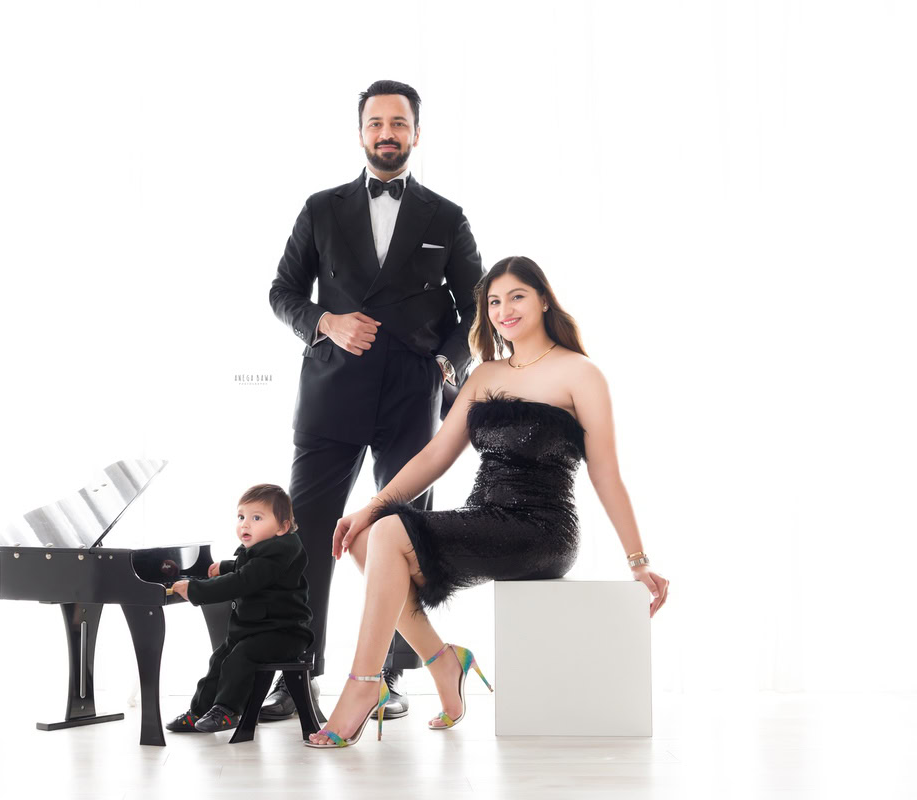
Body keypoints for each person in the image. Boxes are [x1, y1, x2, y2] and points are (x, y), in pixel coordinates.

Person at [303, 256, 671, 748]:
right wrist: (367, 509)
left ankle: (364, 684)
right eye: (494, 302)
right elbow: (434, 456)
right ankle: (443, 662)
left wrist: (638, 561)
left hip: (542, 528)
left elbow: (606, 474)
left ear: (544, 300)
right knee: (367, 537)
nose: (504, 310)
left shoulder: (580, 373)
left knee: (389, 530)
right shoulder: (484, 375)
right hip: (482, 515)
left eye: (517, 296)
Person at [266, 79, 484, 721]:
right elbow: (282, 292)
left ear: (416, 132)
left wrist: (446, 363)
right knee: (307, 536)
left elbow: (478, 308)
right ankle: (295, 676)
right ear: (360, 132)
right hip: (331, 391)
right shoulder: (321, 208)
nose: (387, 133)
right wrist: (325, 322)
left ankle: (389, 676)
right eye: (376, 123)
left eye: (399, 123)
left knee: (399, 536)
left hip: (411, 396)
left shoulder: (447, 216)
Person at [165, 484, 313, 734]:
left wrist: (195, 590)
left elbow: (244, 580)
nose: (245, 524)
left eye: (257, 518)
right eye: (241, 516)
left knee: (240, 657)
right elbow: (250, 568)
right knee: (219, 659)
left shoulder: (281, 551)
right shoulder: (265, 550)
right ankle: (199, 710)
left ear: (282, 527)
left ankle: (228, 710)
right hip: (256, 630)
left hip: (285, 633)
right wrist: (226, 566)